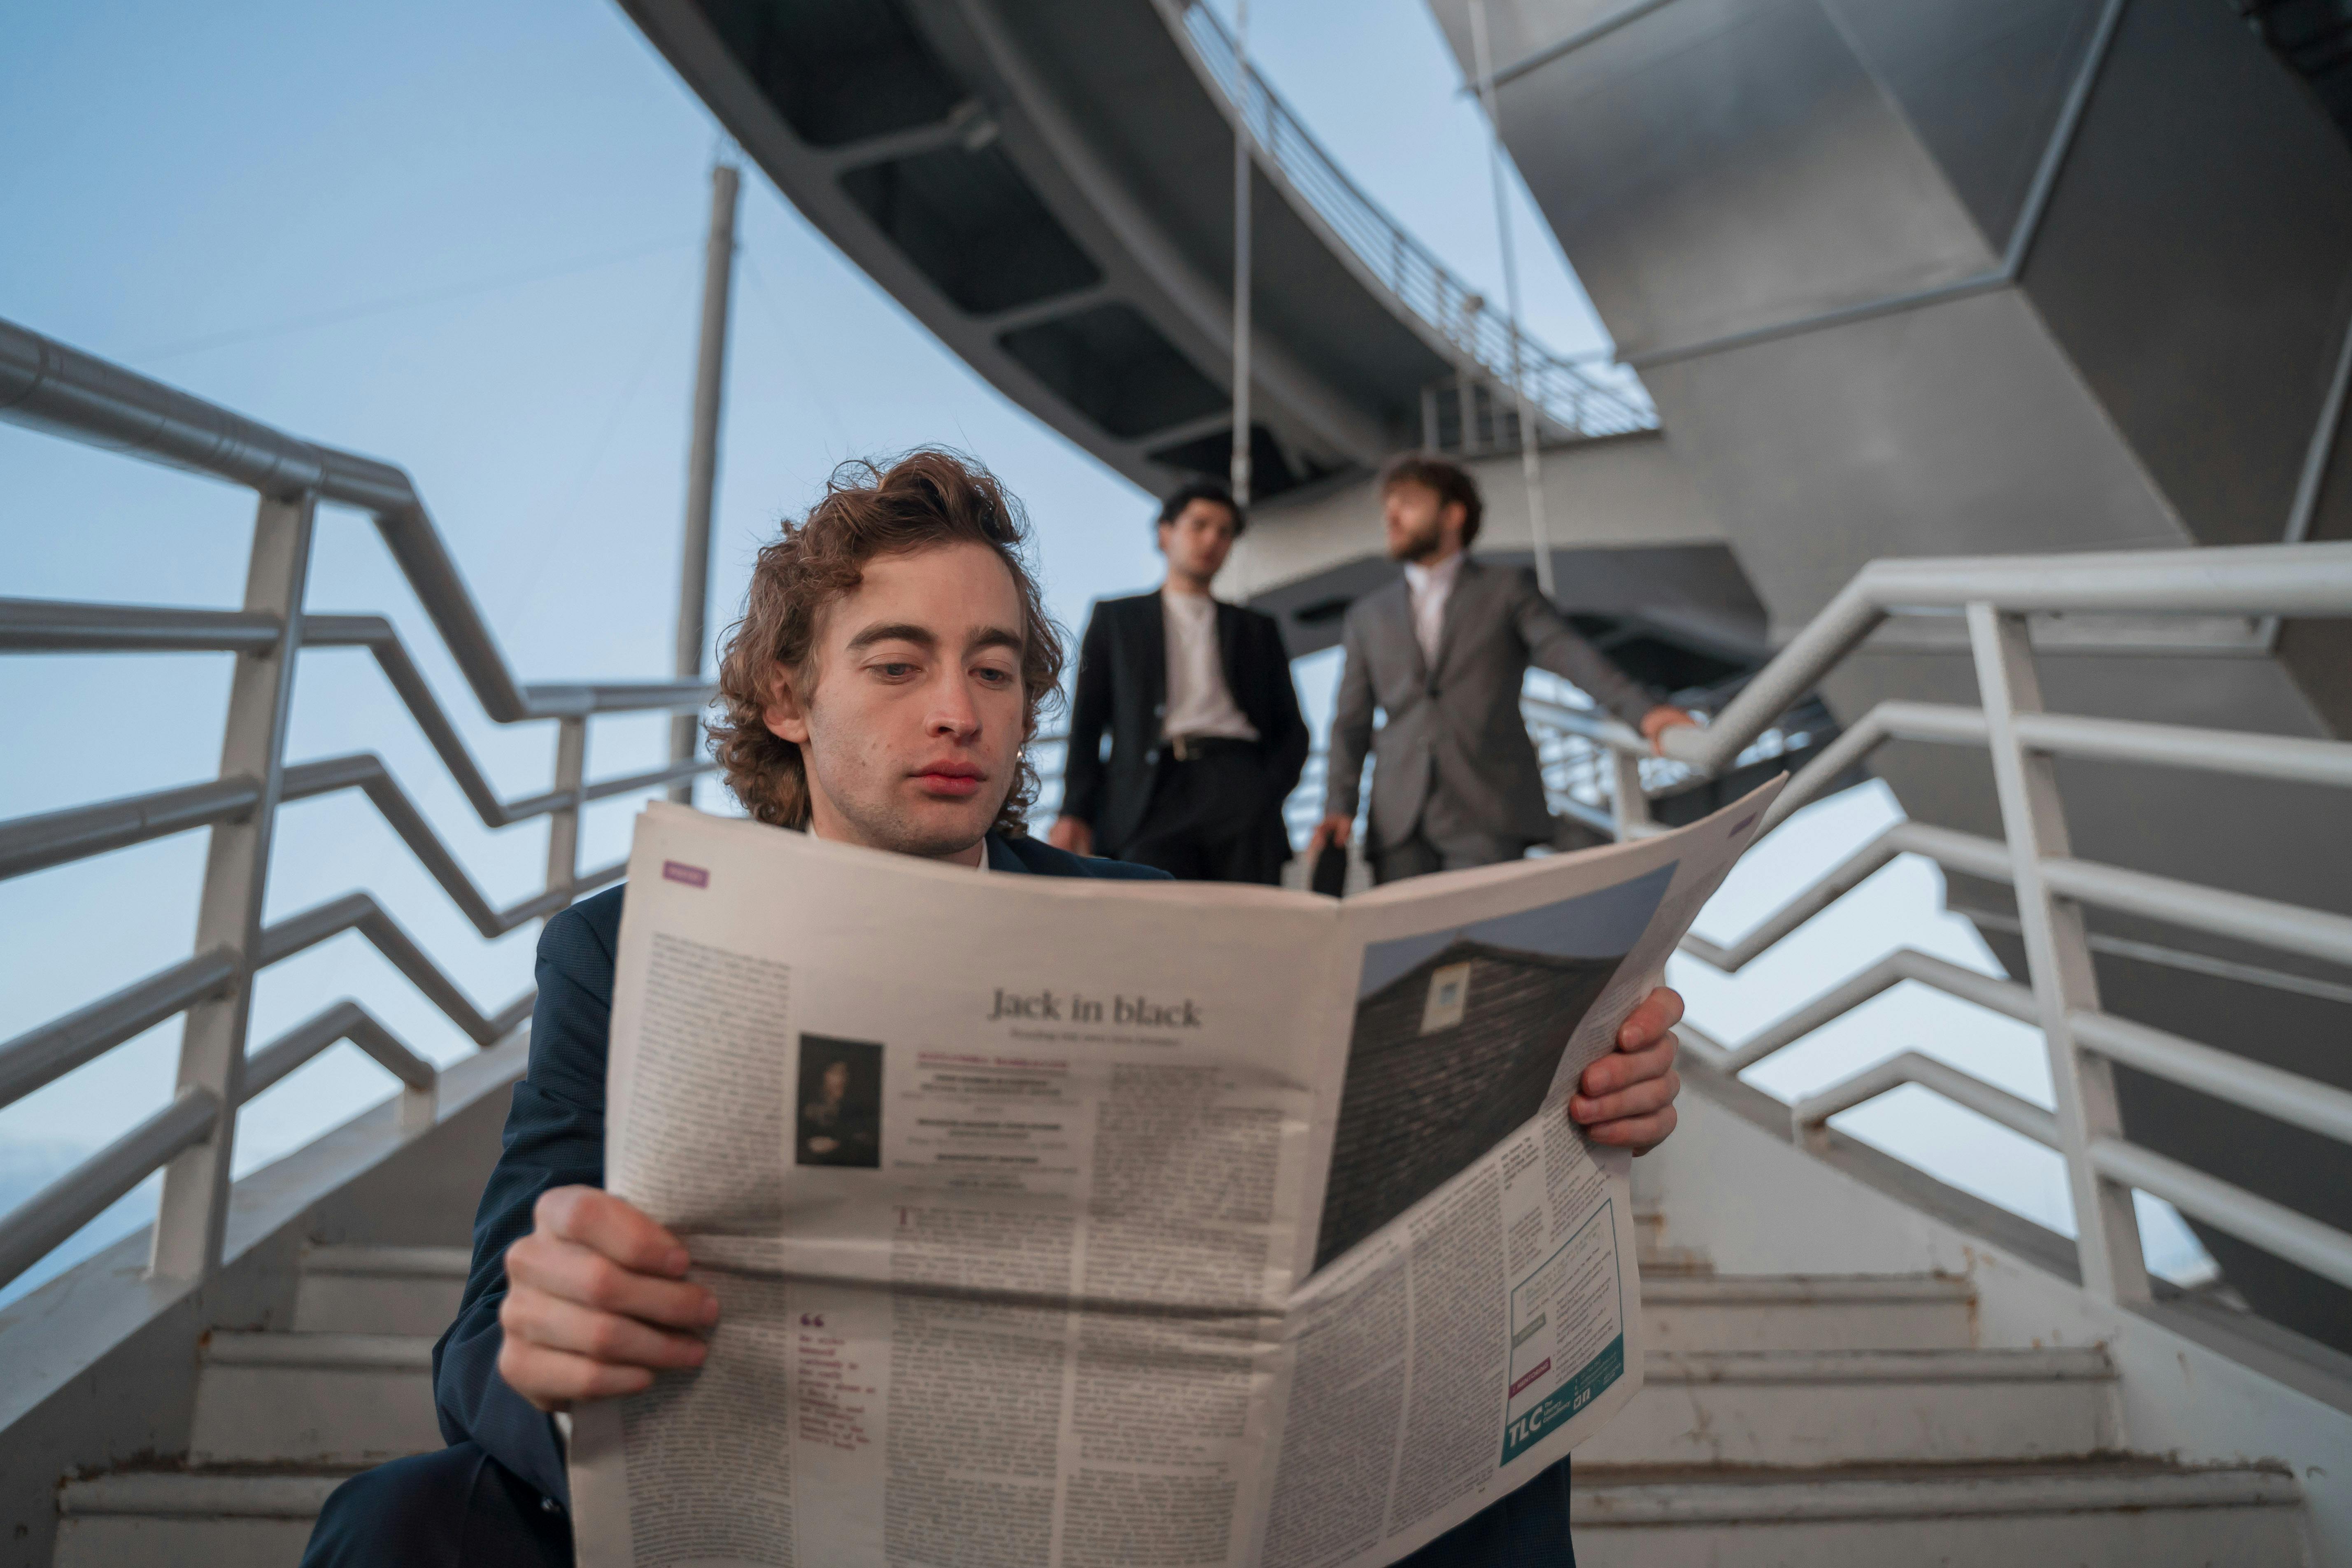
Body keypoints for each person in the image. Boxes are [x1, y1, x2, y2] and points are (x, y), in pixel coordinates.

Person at [300, 448, 1688, 1568]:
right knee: (401, 1521)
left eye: (994, 666)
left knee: (1488, 1437)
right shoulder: (615, 948)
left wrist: (1574, 1095)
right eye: (896, 663)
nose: (955, 708)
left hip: (1118, 1487)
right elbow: (481, 1338)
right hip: (767, 1488)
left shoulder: (1161, 918)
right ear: (788, 694)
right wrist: (550, 1346)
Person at [1310, 454, 1697, 884]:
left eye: (1407, 503)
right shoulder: (1368, 615)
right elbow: (1351, 721)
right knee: (1403, 948)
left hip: (1486, 805)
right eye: (1389, 506)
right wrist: (1337, 805)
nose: (1392, 516)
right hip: (1398, 818)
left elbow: (1563, 649)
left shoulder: (1505, 589)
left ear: (1452, 514)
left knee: (1486, 941)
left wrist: (1641, 711)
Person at [1049, 480, 1309, 882]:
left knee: (1249, 931)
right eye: (1199, 525)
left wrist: (1265, 791)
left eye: (1225, 532)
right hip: (1149, 794)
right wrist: (1074, 810)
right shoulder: (1115, 620)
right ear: (1164, 533)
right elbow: (1087, 722)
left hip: (1239, 783)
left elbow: (1291, 728)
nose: (1212, 539)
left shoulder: (1258, 629)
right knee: (1154, 927)